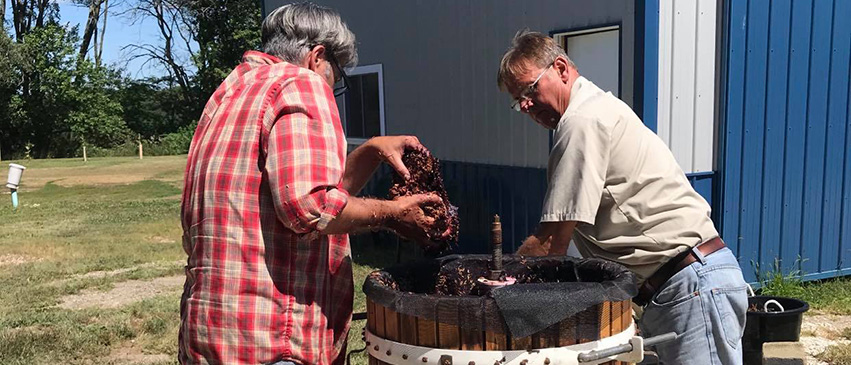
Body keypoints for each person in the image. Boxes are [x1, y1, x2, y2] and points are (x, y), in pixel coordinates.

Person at [179, 3, 446, 364]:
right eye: (336, 76)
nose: (332, 87)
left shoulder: (227, 92)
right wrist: (393, 214)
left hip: (211, 334)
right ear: (317, 57)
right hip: (274, 343)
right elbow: (313, 209)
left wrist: (369, 151)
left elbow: (298, 193)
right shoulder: (300, 82)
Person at [498, 30, 748, 364]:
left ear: (561, 68)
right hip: (682, 285)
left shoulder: (582, 122)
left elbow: (550, 244)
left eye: (530, 89)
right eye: (518, 101)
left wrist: (500, 288)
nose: (526, 105)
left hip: (690, 286)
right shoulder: (594, 110)